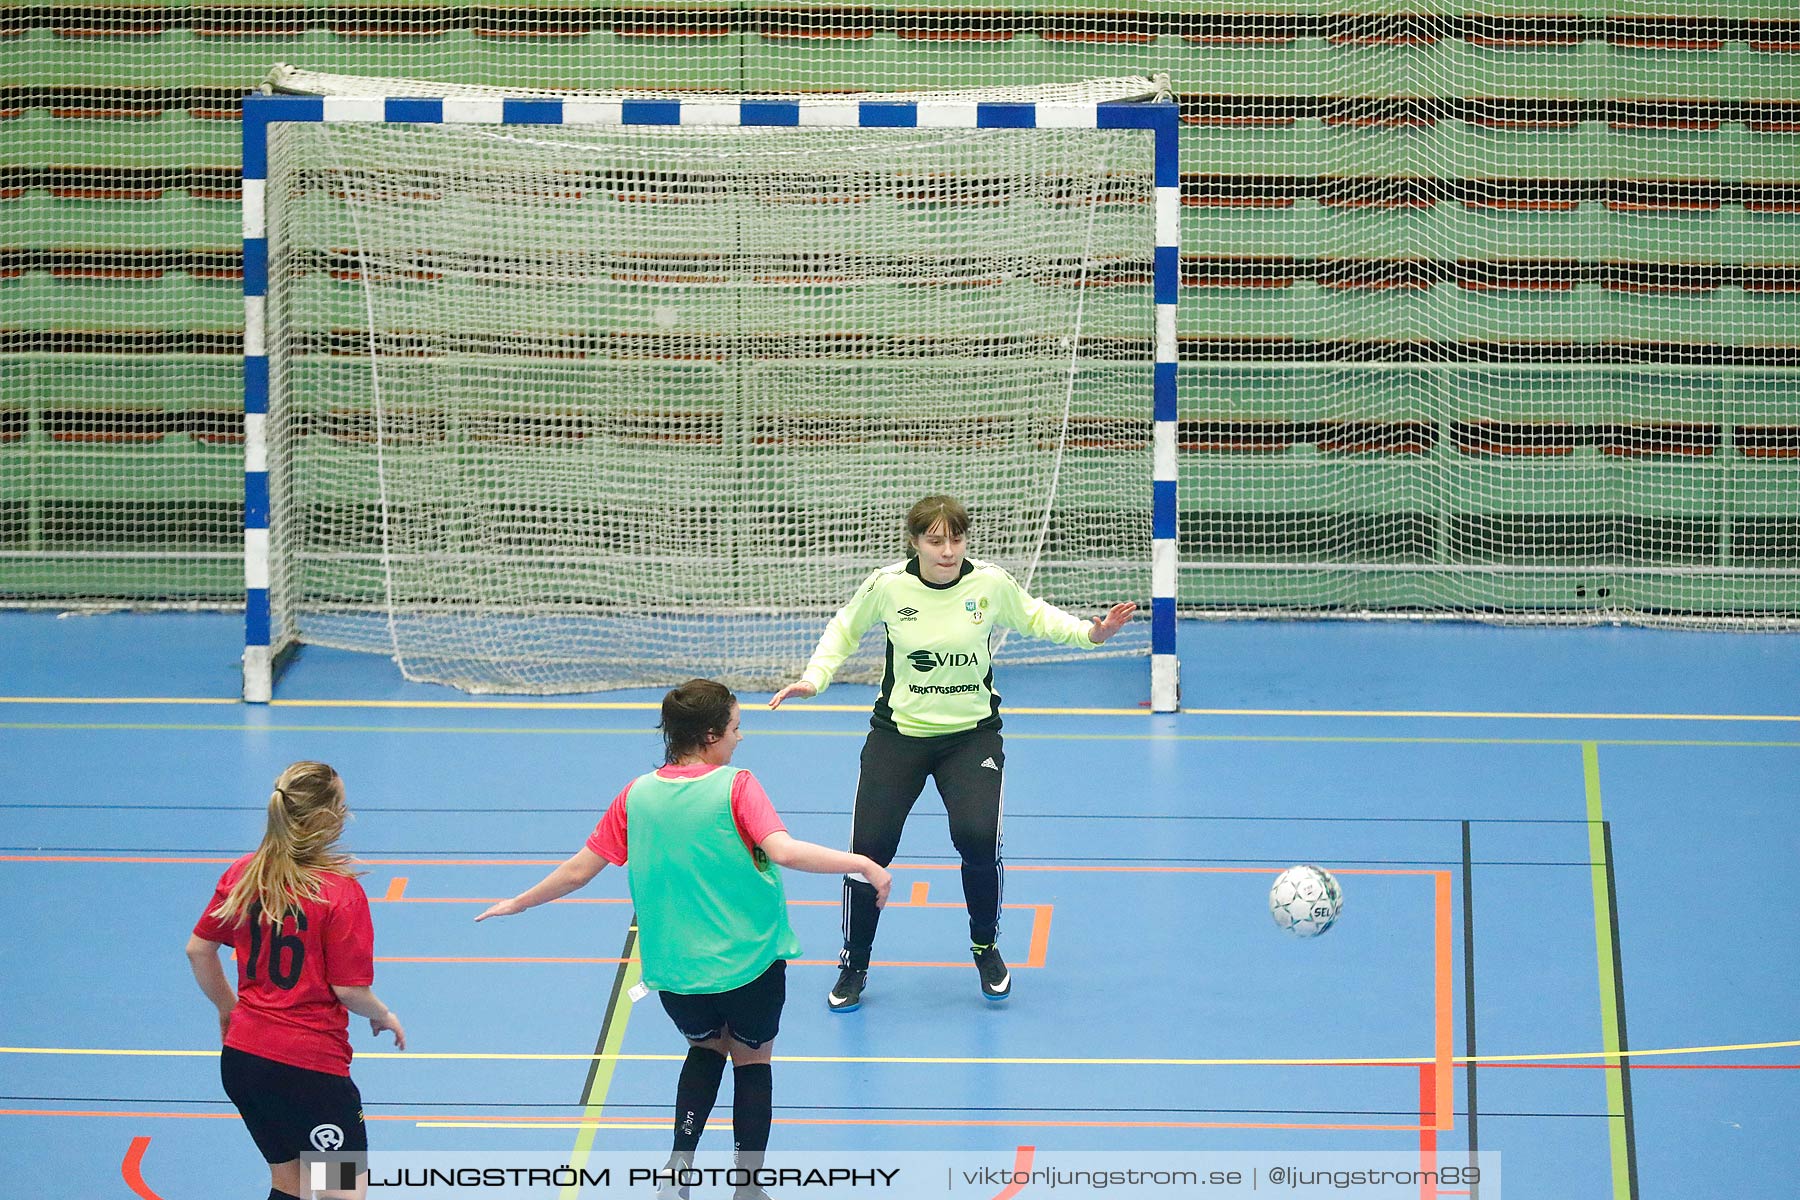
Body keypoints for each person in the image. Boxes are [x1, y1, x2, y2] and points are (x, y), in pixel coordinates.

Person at [476, 679, 890, 1200]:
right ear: (712, 735)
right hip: (749, 966)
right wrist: (862, 863)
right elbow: (783, 852)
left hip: (675, 974)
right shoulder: (737, 786)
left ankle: (678, 1167)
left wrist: (517, 902)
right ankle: (747, 1186)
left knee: (705, 1048)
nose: (741, 738)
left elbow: (580, 871)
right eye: (736, 728)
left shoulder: (636, 795)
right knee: (751, 1060)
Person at [770, 494, 1135, 1012]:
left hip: (971, 738)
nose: (947, 549)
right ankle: (854, 962)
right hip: (899, 735)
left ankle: (985, 947)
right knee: (867, 848)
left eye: (956, 538)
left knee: (978, 836)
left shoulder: (988, 584)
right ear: (915, 542)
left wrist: (1092, 633)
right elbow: (844, 628)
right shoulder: (889, 586)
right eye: (936, 540)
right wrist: (815, 677)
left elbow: (1036, 617)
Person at [187, 761, 405, 1200]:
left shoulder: (243, 874)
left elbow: (199, 949)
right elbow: (349, 990)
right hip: (309, 1072)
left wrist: (229, 1010)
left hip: (244, 1063)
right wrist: (385, 1014)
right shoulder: (340, 892)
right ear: (328, 818)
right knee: (340, 1192)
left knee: (289, 1184)